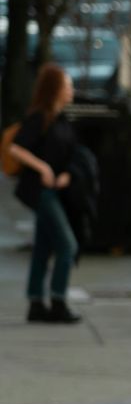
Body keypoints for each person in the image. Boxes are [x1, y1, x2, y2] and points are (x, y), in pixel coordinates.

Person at [7, 63, 83, 324]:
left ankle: (36, 302)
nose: (71, 89)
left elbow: (73, 153)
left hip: (54, 190)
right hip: (41, 192)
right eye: (67, 84)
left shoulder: (62, 118)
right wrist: (43, 168)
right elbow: (16, 148)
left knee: (42, 247)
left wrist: (67, 174)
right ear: (56, 88)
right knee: (67, 245)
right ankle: (58, 301)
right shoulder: (40, 116)